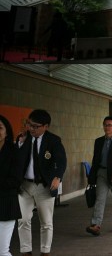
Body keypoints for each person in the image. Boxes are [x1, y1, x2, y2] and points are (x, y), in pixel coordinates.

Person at [16, 109, 67, 256]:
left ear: (46, 126)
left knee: (46, 222)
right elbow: (16, 159)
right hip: (25, 186)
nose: (31, 128)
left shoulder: (54, 140)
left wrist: (58, 177)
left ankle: (45, 251)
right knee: (23, 219)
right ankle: (26, 251)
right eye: (29, 124)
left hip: (44, 186)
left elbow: (61, 161)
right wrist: (19, 143)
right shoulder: (23, 138)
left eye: (36, 126)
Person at [86, 116, 112, 236]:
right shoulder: (98, 141)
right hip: (102, 173)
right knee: (99, 199)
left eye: (109, 125)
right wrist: (92, 176)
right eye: (105, 125)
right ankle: (96, 224)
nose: (107, 127)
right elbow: (95, 160)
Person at [0, 115, 22, 256]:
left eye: (0, 128)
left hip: (6, 205)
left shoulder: (14, 152)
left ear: (6, 132)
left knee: (2, 251)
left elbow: (16, 180)